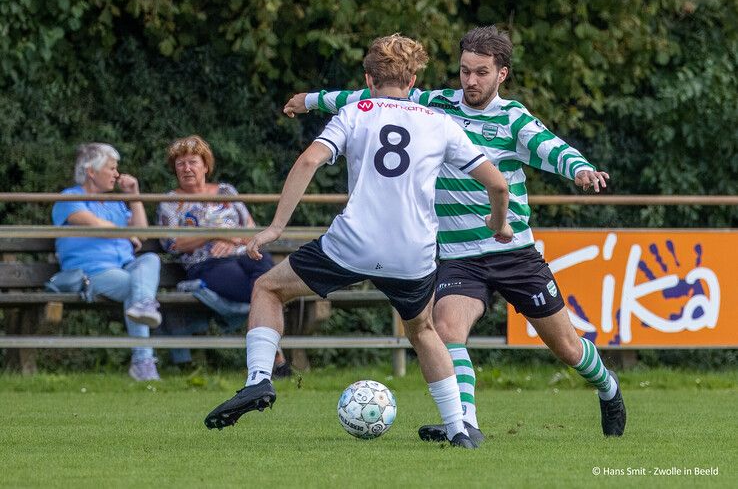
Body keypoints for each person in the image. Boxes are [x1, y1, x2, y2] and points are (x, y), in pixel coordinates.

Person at [284, 25, 626, 443]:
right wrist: (309, 101)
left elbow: (551, 148)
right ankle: (464, 424)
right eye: (465, 71)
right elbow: (368, 97)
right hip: (458, 256)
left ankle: (608, 388)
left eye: (481, 72)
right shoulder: (435, 106)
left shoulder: (512, 119)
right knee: (447, 331)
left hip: (513, 251)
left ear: (502, 74)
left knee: (568, 349)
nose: (470, 81)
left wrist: (581, 169)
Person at [204, 34, 513, 449]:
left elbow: (310, 159)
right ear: (414, 79)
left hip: (353, 243)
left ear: (369, 78)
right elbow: (497, 185)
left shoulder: (356, 112)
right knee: (423, 331)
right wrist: (499, 223)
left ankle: (259, 380)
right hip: (413, 253)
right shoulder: (440, 122)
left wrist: (276, 227)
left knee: (268, 288)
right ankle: (459, 427)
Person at [156, 135, 288, 375]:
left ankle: (267, 358)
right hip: (206, 264)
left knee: (266, 276)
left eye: (192, 162)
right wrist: (211, 236)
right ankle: (274, 358)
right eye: (180, 163)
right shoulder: (171, 202)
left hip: (243, 253)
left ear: (205, 165)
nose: (186, 168)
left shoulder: (226, 191)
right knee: (260, 292)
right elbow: (172, 244)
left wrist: (232, 239)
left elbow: (251, 230)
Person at [51, 143, 162, 381]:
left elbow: (142, 233)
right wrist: (124, 232)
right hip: (92, 272)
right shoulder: (69, 198)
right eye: (111, 168)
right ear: (91, 171)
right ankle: (143, 362)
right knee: (133, 285)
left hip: (125, 266)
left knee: (151, 259)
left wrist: (134, 197)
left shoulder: (114, 204)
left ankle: (143, 307)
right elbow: (93, 224)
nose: (116, 174)